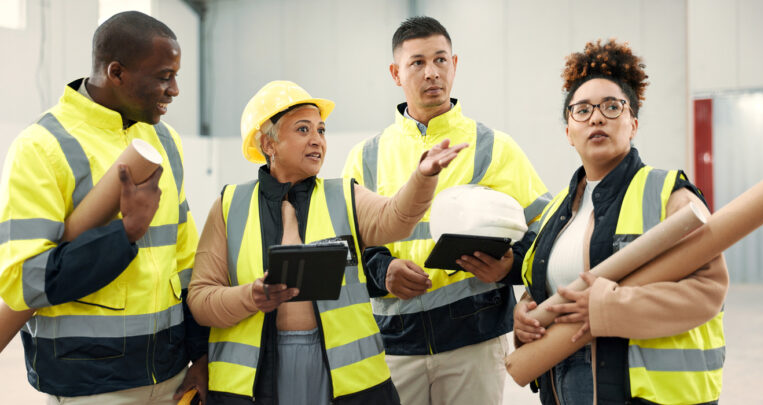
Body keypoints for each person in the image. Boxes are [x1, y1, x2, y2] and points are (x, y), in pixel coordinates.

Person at [187, 80, 467, 405]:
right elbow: (201, 299)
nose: (317, 140)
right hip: (254, 378)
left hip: (342, 378)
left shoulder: (345, 195)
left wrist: (423, 176)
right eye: (303, 129)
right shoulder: (229, 206)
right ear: (268, 143)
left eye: (321, 130)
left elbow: (397, 218)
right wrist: (250, 296)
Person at [0, 11, 208, 404]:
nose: (175, 89)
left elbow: (186, 262)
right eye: (164, 76)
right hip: (92, 386)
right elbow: (23, 281)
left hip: (171, 375)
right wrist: (124, 234)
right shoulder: (42, 147)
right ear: (117, 72)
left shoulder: (164, 140)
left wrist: (199, 354)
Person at [342, 16, 551, 405]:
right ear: (395, 73)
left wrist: (508, 267)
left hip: (474, 342)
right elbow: (347, 245)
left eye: (441, 60)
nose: (431, 73)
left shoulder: (493, 147)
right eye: (417, 63)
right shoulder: (365, 158)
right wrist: (382, 271)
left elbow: (545, 232)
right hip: (394, 345)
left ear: (455, 64)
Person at [512, 39, 728, 405]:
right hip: (563, 385)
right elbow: (542, 290)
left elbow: (708, 291)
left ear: (633, 124)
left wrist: (608, 310)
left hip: (646, 395)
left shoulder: (668, 194)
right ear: (569, 132)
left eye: (612, 107)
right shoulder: (555, 212)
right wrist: (524, 315)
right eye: (582, 110)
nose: (596, 117)